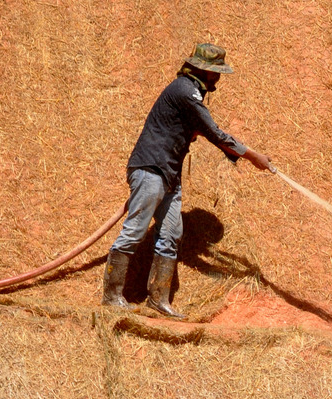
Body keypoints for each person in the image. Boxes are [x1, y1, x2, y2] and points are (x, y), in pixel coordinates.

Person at [101, 43, 271, 318]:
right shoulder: (185, 91)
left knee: (170, 235)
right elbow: (215, 133)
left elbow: (198, 129)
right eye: (216, 73)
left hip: (168, 174)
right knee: (134, 230)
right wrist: (253, 156)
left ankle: (159, 300)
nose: (218, 78)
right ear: (204, 70)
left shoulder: (189, 94)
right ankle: (111, 297)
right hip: (151, 169)